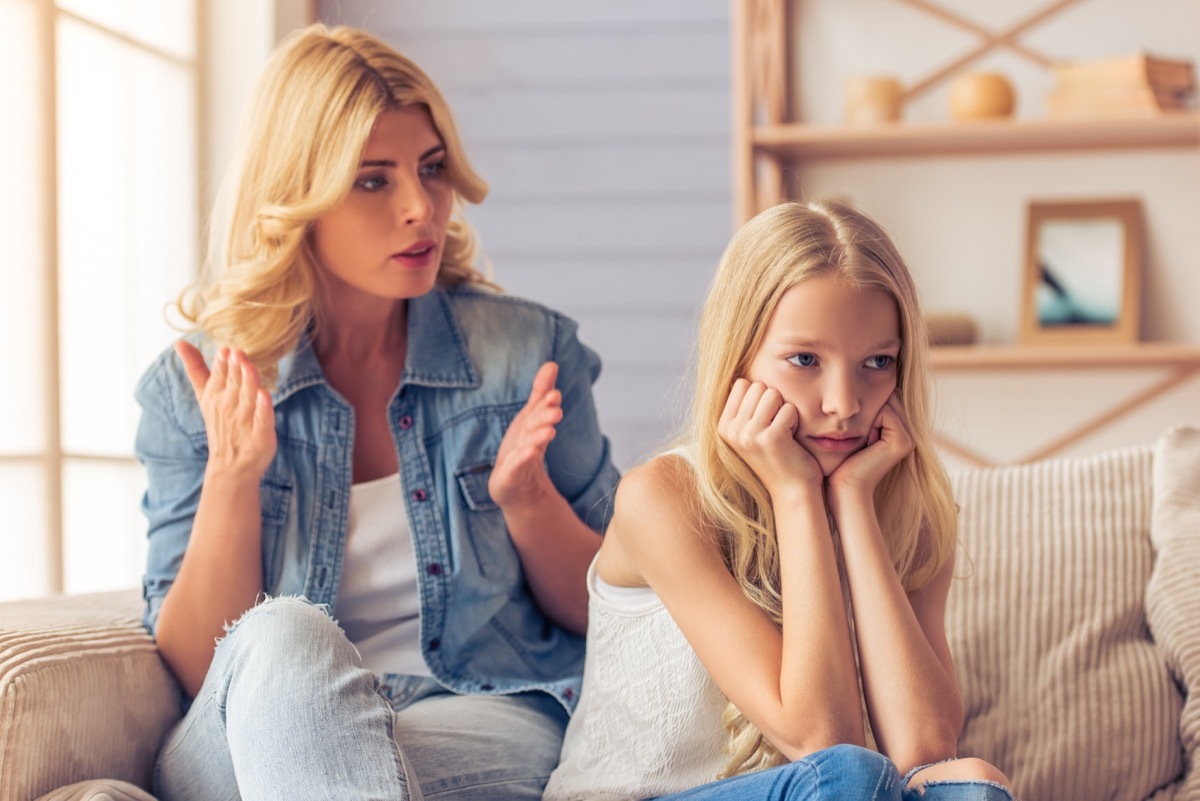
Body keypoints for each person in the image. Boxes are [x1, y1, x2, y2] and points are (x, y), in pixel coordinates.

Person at [133, 23, 619, 801]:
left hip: (476, 711)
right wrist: (233, 477)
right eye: (373, 180)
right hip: (255, 721)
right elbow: (198, 663)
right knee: (284, 634)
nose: (421, 208)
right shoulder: (192, 386)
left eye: (432, 171)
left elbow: (613, 606)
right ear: (296, 199)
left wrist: (528, 502)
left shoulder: (525, 353)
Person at [543, 200, 1014, 801]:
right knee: (853, 772)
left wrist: (851, 501)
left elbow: (924, 749)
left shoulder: (906, 509)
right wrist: (796, 495)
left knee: (971, 786)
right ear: (738, 358)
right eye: (804, 361)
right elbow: (825, 741)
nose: (844, 402)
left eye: (877, 362)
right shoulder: (661, 499)